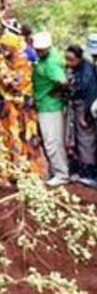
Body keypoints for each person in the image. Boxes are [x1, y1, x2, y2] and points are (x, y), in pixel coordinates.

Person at [0, 29, 45, 181]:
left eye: (7, 48)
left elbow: (17, 84)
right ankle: (8, 171)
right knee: (7, 137)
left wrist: (0, 71)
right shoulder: (6, 59)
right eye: (3, 47)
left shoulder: (24, 61)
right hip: (7, 107)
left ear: (14, 47)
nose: (4, 51)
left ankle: (28, 172)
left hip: (22, 108)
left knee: (23, 138)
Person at [32, 31, 70, 185]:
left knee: (52, 141)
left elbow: (63, 82)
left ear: (48, 48)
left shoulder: (51, 63)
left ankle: (61, 174)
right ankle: (58, 171)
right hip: (46, 105)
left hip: (50, 107)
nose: (39, 53)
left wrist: (53, 93)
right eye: (37, 50)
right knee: (53, 140)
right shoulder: (50, 56)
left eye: (42, 50)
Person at [65, 43, 97, 187]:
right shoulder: (80, 68)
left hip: (85, 109)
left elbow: (90, 94)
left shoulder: (87, 71)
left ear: (79, 58)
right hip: (80, 108)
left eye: (71, 60)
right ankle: (81, 171)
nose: (68, 63)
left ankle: (89, 173)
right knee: (80, 140)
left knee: (86, 141)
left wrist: (85, 115)